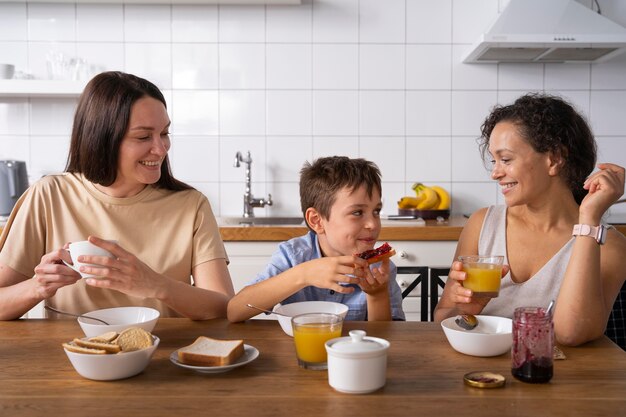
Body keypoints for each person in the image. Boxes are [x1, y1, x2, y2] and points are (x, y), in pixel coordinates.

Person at [0, 71, 234, 320]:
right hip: (73, 356)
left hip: (161, 353)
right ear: (101, 140)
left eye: (164, 133)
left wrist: (155, 284)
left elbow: (224, 307)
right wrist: (38, 287)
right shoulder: (48, 195)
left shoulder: (191, 205)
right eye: (144, 137)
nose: (160, 148)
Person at [434, 93, 626, 346]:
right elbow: (443, 318)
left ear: (554, 158)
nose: (495, 173)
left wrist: (589, 220)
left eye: (506, 159)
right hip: (481, 375)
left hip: (559, 381)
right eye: (494, 160)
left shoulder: (608, 245)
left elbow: (570, 334)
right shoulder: (482, 224)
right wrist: (465, 310)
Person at [227, 156, 405, 322]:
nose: (372, 224)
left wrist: (377, 295)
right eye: (357, 212)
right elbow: (234, 311)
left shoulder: (380, 270)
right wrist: (303, 274)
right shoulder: (293, 256)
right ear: (316, 220)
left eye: (376, 211)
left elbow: (387, 339)